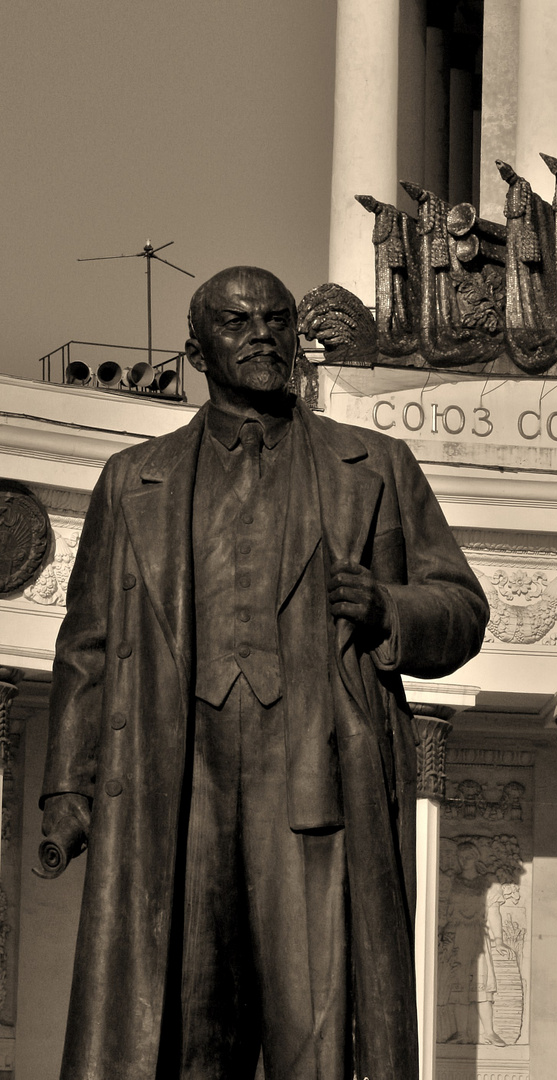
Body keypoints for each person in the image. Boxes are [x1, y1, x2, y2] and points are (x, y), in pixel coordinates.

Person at [38, 266, 489, 1080]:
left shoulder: (375, 465)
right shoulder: (132, 479)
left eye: (277, 319)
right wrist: (69, 785)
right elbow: (89, 645)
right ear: (196, 348)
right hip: (176, 776)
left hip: (312, 777)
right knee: (183, 1015)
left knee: (311, 1021)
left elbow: (461, 607)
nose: (263, 335)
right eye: (237, 321)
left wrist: (390, 609)